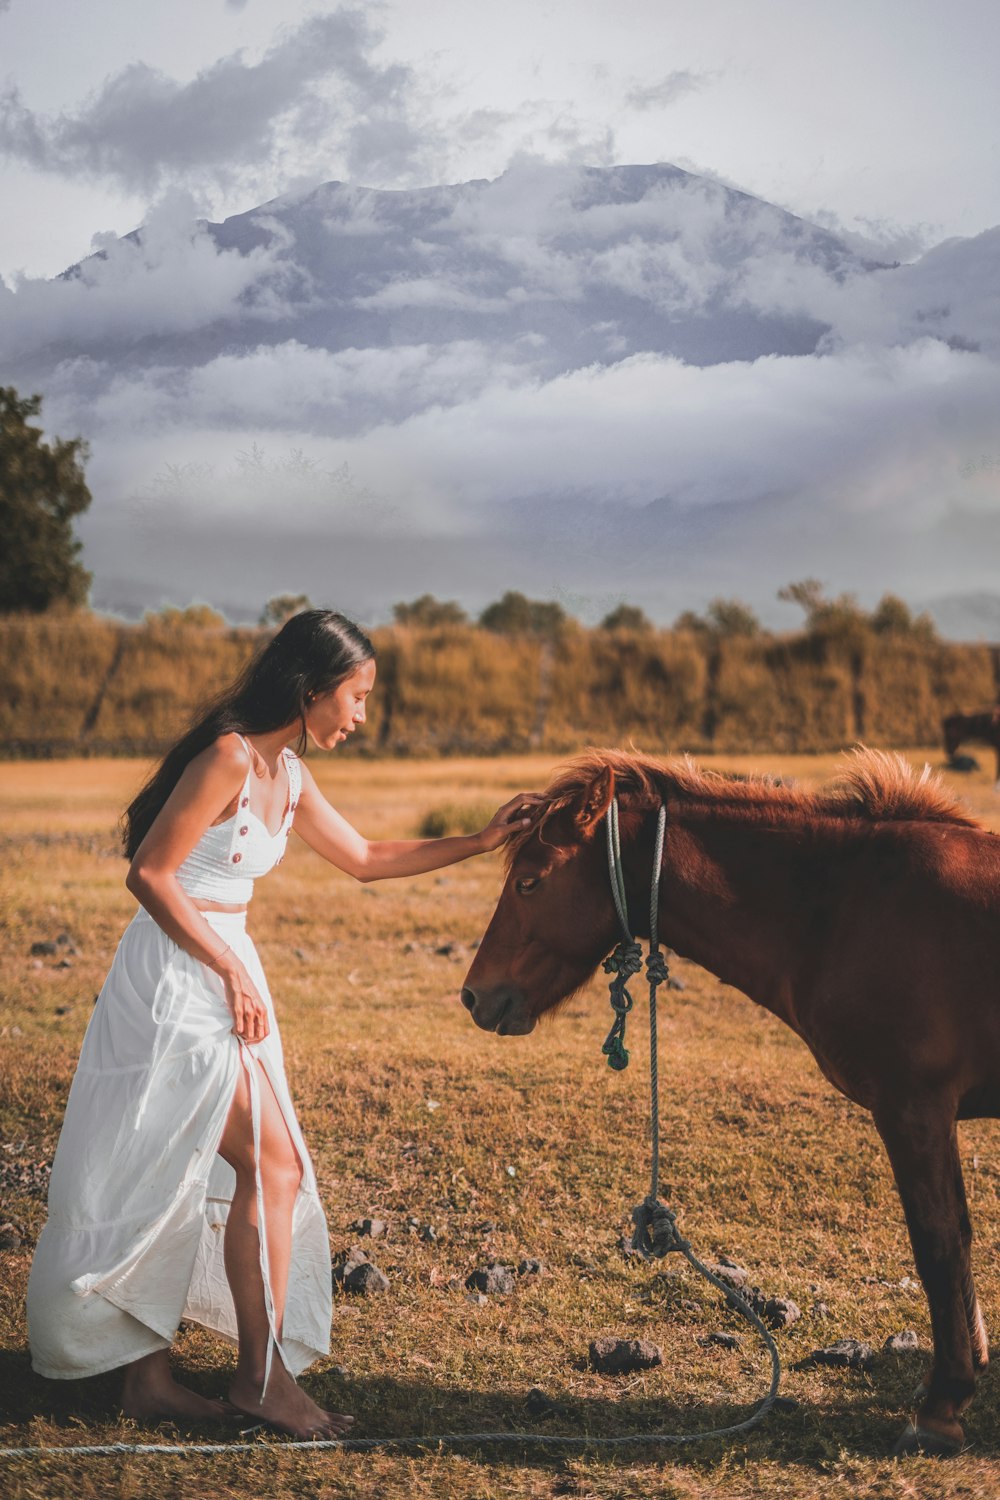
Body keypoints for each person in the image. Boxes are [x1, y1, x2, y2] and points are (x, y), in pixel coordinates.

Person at [26, 609, 541, 1439]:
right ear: (311, 690)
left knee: (206, 1164)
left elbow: (368, 859)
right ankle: (257, 1382)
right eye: (357, 697)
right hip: (175, 978)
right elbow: (150, 875)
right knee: (269, 1162)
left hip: (225, 969)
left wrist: (483, 841)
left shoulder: (288, 773)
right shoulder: (230, 756)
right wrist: (227, 966)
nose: (362, 716)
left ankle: (153, 1381)